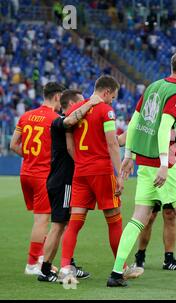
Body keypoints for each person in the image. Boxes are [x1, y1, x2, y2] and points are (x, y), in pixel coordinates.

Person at [107, 51, 176, 289]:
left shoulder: (152, 87)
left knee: (138, 218)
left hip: (144, 165)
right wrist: (165, 164)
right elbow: (165, 126)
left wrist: (129, 155)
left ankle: (116, 273)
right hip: (167, 164)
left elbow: (135, 121)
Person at [58, 75, 124, 283]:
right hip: (102, 171)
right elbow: (112, 144)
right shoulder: (106, 110)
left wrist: (82, 163)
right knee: (114, 219)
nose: (112, 101)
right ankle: (121, 267)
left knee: (75, 222)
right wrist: (120, 173)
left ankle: (65, 268)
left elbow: (70, 146)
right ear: (106, 92)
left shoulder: (76, 110)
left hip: (80, 171)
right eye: (112, 97)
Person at [124, 114, 176, 277]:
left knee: (170, 214)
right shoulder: (150, 116)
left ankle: (169, 258)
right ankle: (140, 255)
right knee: (148, 217)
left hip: (173, 170)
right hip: (152, 169)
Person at [38, 90, 103, 282]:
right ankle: (45, 269)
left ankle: (69, 265)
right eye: (80, 102)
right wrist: (90, 103)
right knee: (58, 225)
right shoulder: (60, 121)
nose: (84, 105)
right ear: (72, 103)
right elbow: (69, 121)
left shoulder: (72, 124)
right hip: (63, 181)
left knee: (68, 225)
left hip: (65, 180)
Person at [10, 82, 64, 276]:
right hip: (42, 175)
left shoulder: (26, 116)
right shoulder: (55, 119)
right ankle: (32, 263)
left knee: (39, 218)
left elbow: (13, 145)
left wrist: (30, 157)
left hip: (26, 173)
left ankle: (39, 257)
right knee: (42, 219)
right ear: (57, 96)